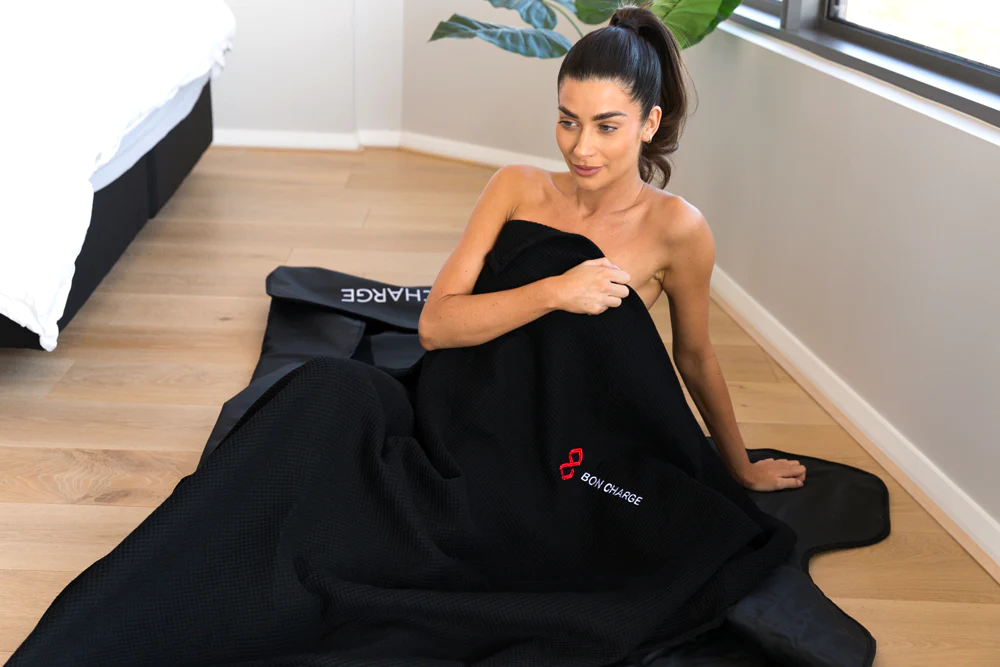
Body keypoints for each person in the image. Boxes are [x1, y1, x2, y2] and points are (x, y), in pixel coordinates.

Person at [418, 1, 807, 494]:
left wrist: (741, 466)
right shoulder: (514, 187)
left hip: (560, 447)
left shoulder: (678, 230)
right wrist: (557, 291)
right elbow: (435, 326)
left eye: (606, 126)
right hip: (460, 408)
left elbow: (694, 356)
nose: (582, 148)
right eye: (568, 121)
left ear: (648, 124)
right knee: (327, 403)